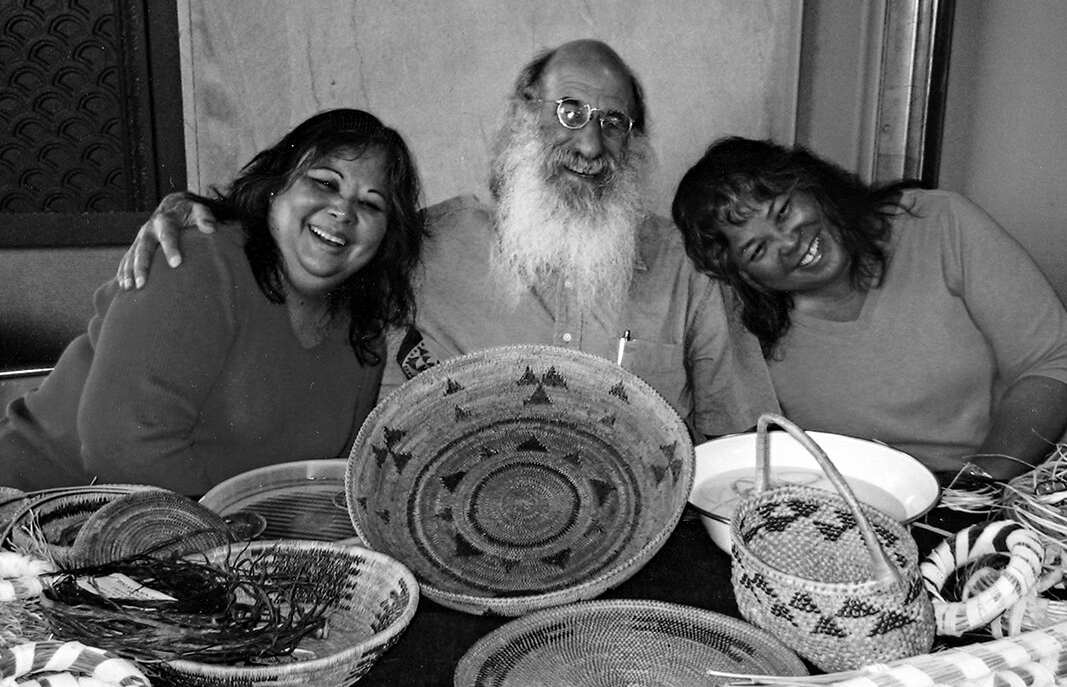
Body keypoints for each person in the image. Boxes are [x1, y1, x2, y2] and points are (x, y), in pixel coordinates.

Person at [116, 39, 779, 443]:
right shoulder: (419, 244)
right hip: (443, 547)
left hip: (640, 555)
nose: (589, 142)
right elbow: (304, 254)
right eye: (568, 112)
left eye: (614, 122)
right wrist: (208, 218)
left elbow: (742, 441)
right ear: (522, 119)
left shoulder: (687, 269)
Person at [0, 108, 425, 495]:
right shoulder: (198, 258)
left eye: (372, 204)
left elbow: (327, 478)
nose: (344, 211)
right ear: (274, 188)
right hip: (35, 515)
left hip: (199, 549)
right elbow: (121, 444)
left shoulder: (363, 335)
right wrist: (239, 541)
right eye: (325, 183)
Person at [671, 135, 1067, 483]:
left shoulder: (939, 224)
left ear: (812, 186)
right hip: (885, 517)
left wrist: (977, 488)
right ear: (744, 275)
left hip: (1034, 485)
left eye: (783, 211)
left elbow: (1054, 360)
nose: (788, 242)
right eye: (757, 248)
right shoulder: (747, 334)